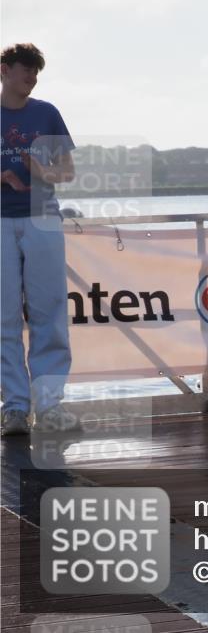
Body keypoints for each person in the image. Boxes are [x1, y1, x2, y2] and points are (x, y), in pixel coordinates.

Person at [1, 43, 80, 436]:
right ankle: (14, 408)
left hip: (43, 220)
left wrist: (41, 171)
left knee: (49, 312)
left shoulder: (46, 113)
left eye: (36, 72)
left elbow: (67, 172)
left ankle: (49, 407)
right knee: (4, 318)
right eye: (25, 70)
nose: (31, 78)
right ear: (4, 70)